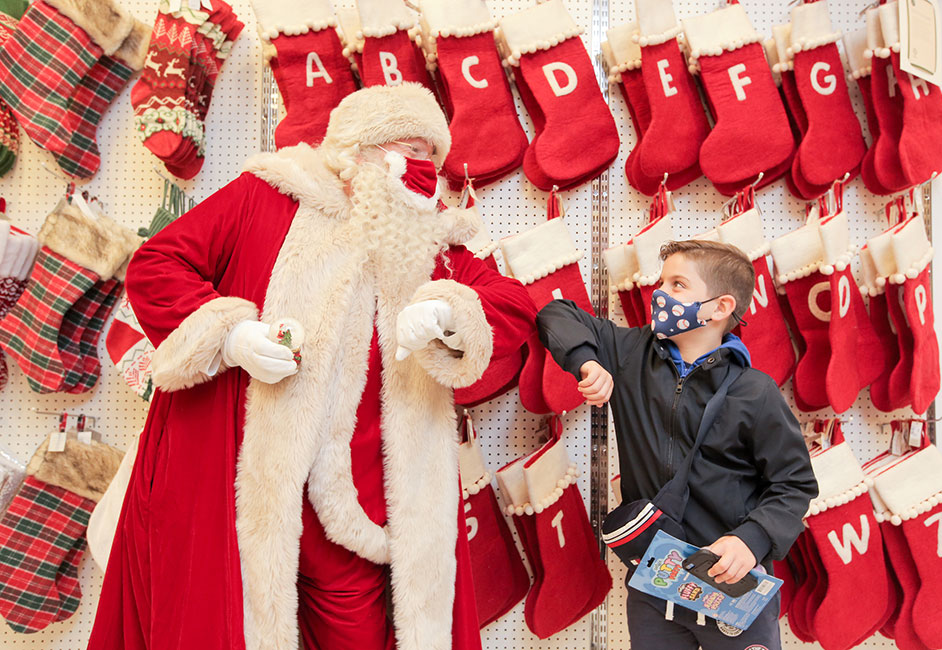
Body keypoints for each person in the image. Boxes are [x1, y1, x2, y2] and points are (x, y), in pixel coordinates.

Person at [87, 83, 536, 650]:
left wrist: (451, 313)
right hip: (245, 484)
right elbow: (159, 264)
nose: (422, 172)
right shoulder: (269, 195)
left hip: (365, 515)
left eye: (432, 157)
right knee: (230, 628)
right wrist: (231, 335)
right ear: (355, 152)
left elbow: (509, 302)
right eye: (408, 152)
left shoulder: (435, 232)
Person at [536, 239, 817, 650]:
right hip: (656, 589)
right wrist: (587, 361)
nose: (660, 294)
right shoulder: (630, 355)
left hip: (733, 590)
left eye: (678, 284)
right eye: (662, 282)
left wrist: (751, 539)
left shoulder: (756, 393)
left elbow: (794, 485)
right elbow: (554, 313)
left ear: (720, 308)